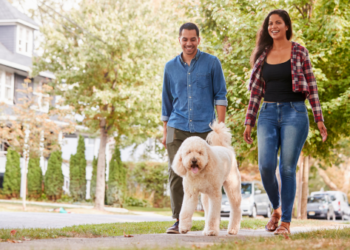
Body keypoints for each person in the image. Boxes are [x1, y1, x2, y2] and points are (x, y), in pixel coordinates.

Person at [243, 9, 327, 235]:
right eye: (270, 23)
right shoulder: (263, 55)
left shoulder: (300, 51)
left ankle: (286, 223)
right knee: (266, 166)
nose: (273, 26)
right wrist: (248, 121)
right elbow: (255, 93)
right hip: (267, 113)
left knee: (287, 168)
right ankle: (277, 209)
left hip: (294, 113)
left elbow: (312, 87)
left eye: (278, 22)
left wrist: (319, 118)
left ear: (287, 26)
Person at [161, 22, 227, 234]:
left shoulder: (212, 63)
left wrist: (220, 127)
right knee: (176, 173)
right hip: (175, 126)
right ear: (179, 40)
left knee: (210, 173)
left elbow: (220, 96)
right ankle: (179, 220)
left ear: (198, 40)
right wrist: (165, 132)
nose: (188, 43)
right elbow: (166, 102)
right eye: (184, 39)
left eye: (192, 39)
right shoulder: (170, 67)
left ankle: (211, 221)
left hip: (204, 129)